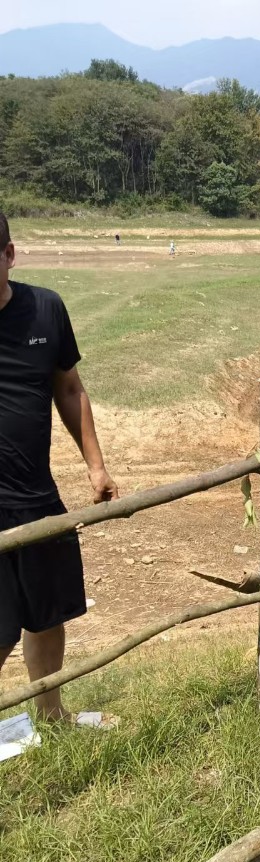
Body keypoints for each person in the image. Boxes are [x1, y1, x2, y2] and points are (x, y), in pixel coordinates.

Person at [0, 211, 119, 722]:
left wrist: (96, 466)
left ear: (8, 255)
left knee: (47, 614)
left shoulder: (45, 309)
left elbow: (68, 388)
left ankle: (50, 716)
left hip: (35, 495)